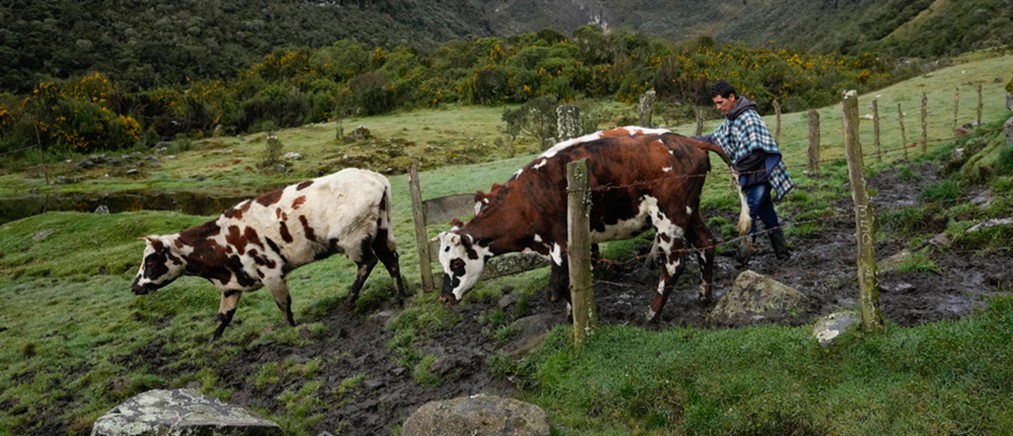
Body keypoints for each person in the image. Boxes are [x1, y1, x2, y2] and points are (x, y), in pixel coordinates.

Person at [695, 80, 793, 263]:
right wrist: (689, 141)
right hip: (752, 177)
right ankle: (783, 254)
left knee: (749, 214)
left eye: (720, 102)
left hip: (762, 175)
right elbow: (714, 138)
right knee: (767, 213)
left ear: (731, 97)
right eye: (715, 103)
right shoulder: (731, 118)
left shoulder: (749, 117)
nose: (717, 107)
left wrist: (739, 169)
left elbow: (758, 151)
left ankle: (743, 257)